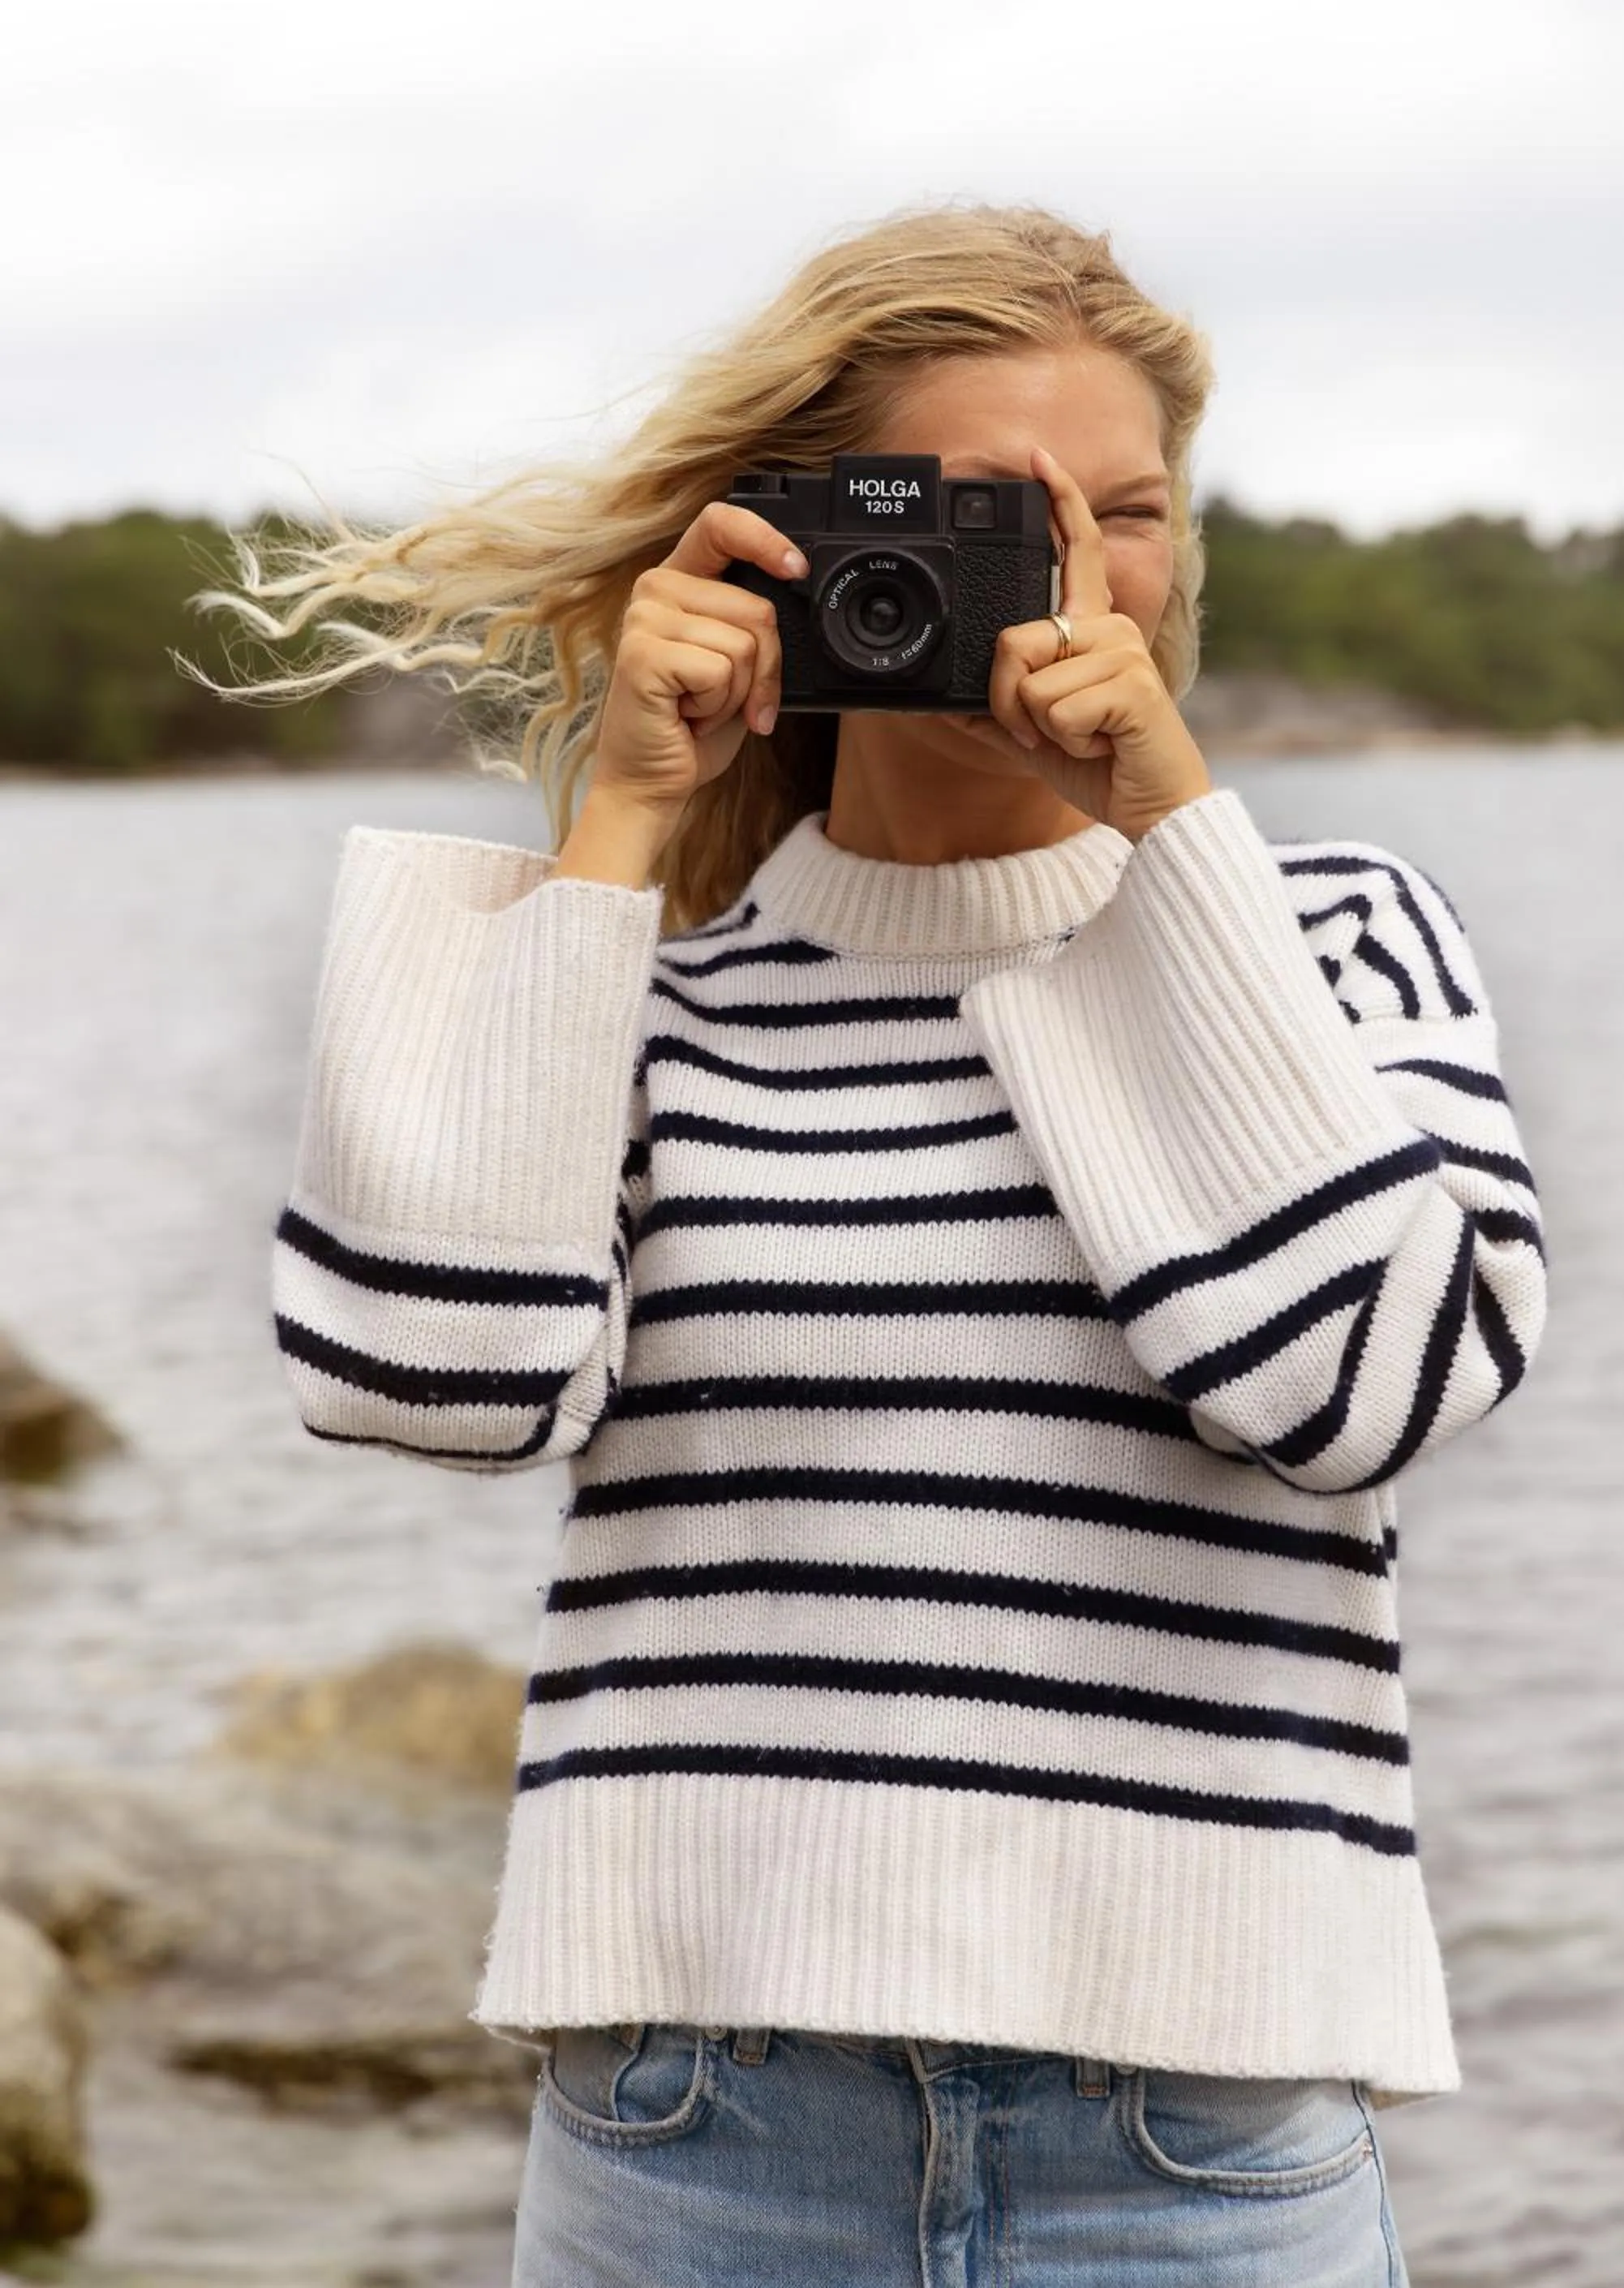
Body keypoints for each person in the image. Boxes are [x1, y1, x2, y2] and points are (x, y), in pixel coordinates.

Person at [208, 203, 1548, 2286]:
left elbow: (1359, 1393)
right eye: (984, 520)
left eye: (1121, 515)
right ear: (794, 544)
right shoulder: (648, 992)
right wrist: (624, 826)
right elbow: (428, 1382)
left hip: (1194, 2151)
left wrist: (1163, 839)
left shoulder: (1329, 943)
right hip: (693, 2139)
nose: (1072, 582)